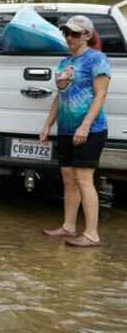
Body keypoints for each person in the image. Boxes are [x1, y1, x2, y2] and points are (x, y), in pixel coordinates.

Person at [40, 15, 111, 247]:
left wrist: (85, 125)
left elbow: (100, 94)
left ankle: (91, 234)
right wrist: (48, 124)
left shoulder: (96, 59)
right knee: (68, 178)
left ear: (87, 36)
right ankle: (69, 227)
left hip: (90, 129)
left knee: (83, 178)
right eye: (67, 33)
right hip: (66, 130)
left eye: (75, 33)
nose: (69, 37)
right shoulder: (64, 63)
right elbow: (60, 98)